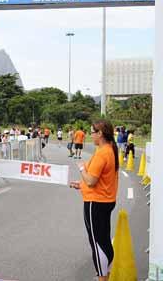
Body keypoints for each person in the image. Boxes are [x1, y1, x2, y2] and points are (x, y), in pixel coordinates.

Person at [69, 119, 119, 281]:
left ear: (101, 134)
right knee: (103, 240)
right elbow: (98, 181)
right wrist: (81, 185)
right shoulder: (110, 149)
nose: (90, 135)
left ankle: (102, 277)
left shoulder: (102, 153)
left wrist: (82, 168)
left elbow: (91, 180)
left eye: (92, 132)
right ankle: (106, 274)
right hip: (105, 201)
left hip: (96, 203)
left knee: (97, 243)